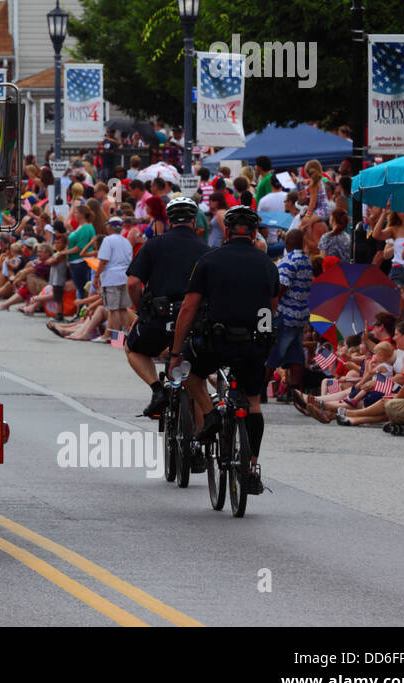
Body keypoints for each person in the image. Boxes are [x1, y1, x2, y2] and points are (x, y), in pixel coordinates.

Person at [171, 205, 281, 495]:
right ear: (255, 233)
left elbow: (189, 307)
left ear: (227, 233)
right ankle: (251, 467)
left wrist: (175, 352)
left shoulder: (209, 261)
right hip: (254, 344)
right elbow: (270, 310)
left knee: (192, 375)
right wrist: (265, 344)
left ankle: (210, 414)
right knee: (253, 402)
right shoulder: (268, 265)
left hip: (215, 342)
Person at [127, 195, 210, 420]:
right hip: (195, 320)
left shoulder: (154, 244)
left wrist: (140, 309)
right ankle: (200, 437)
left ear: (170, 220)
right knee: (196, 378)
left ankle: (157, 389)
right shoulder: (206, 249)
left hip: (159, 317)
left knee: (133, 348)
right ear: (194, 221)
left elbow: (133, 283)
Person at [267, 229, 313, 406]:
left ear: (287, 243)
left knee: (275, 350)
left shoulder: (289, 261)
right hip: (300, 313)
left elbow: (282, 287)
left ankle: (260, 388)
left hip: (286, 313)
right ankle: (296, 391)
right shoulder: (306, 260)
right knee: (295, 354)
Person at [95, 217, 133, 336]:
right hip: (124, 277)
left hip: (112, 278)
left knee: (114, 309)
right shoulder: (126, 241)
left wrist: (96, 276)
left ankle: (116, 338)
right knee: (123, 309)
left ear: (110, 227)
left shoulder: (108, 240)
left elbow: (103, 261)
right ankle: (126, 336)